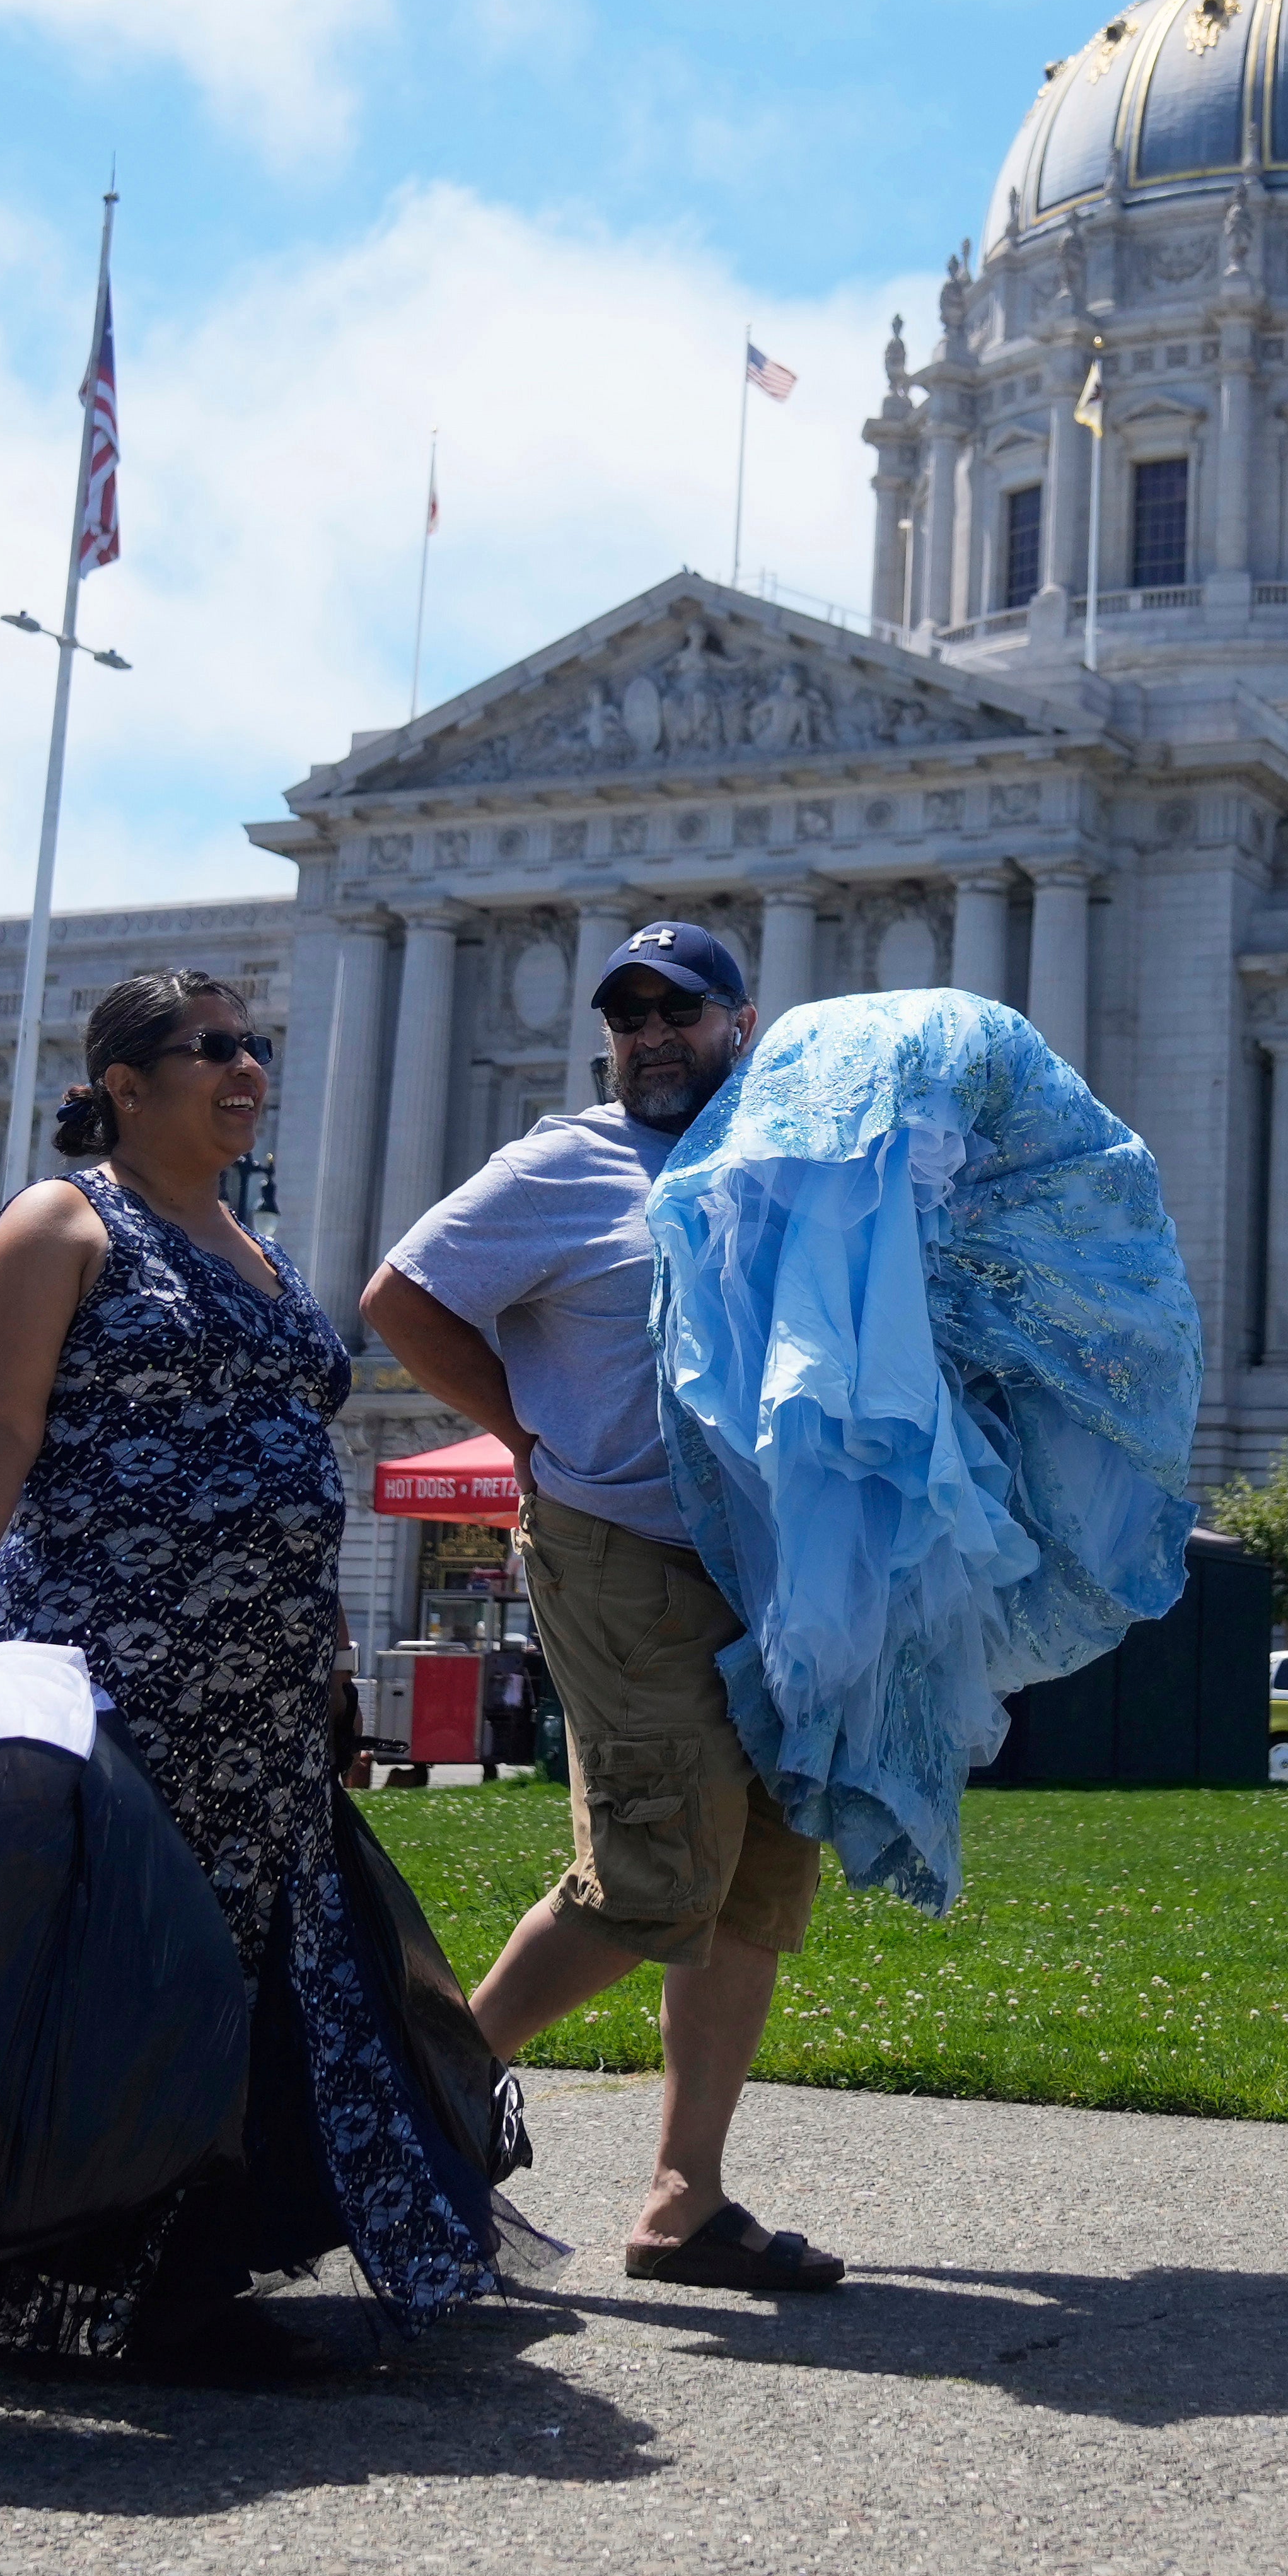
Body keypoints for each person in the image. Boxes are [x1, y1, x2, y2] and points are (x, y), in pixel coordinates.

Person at [0, 967, 540, 2375]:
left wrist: (334, 1665)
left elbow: (293, 1466)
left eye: (256, 1048)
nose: (247, 1069)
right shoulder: (60, 1221)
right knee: (130, 1962)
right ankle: (85, 2275)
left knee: (243, 1975)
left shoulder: (256, 1246)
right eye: (212, 1048)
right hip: (124, 1666)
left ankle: (192, 2258)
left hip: (263, 1691)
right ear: (124, 1080)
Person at [363, 919, 846, 2295]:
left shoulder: (773, 1163)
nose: (648, 1036)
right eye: (627, 1015)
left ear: (737, 1026)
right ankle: (398, 2111)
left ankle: (684, 2201)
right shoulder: (564, 1162)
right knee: (652, 1867)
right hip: (618, 1544)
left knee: (759, 1869)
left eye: (677, 1012)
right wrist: (526, 1435)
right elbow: (400, 1296)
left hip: (765, 1563)